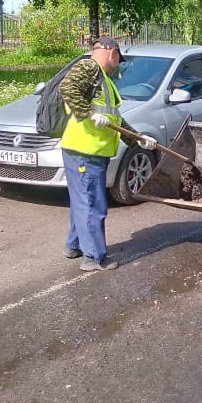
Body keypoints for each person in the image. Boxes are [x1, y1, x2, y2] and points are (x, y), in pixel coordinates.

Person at [59, 35, 157, 271]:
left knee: (83, 201)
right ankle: (93, 257)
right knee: (93, 204)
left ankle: (75, 245)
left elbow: (115, 118)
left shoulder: (104, 80)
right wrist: (89, 114)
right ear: (112, 52)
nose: (117, 65)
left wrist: (138, 139)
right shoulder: (89, 67)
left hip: (89, 151)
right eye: (118, 59)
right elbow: (67, 89)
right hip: (85, 151)